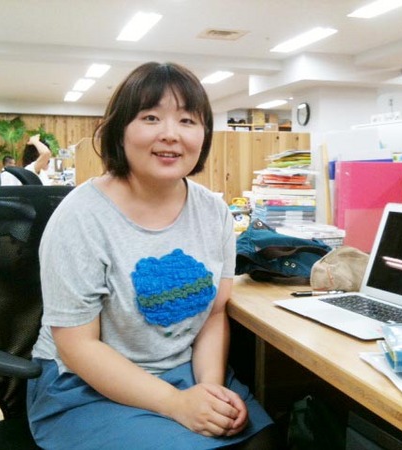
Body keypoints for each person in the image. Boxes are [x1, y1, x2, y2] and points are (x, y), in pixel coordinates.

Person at [27, 62, 277, 449]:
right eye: (150, 117)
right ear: (119, 131)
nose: (170, 134)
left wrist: (208, 392)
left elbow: (213, 315)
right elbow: (77, 346)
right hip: (85, 386)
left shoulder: (214, 212)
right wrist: (177, 404)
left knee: (264, 441)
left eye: (187, 120)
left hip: (184, 372)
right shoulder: (81, 217)